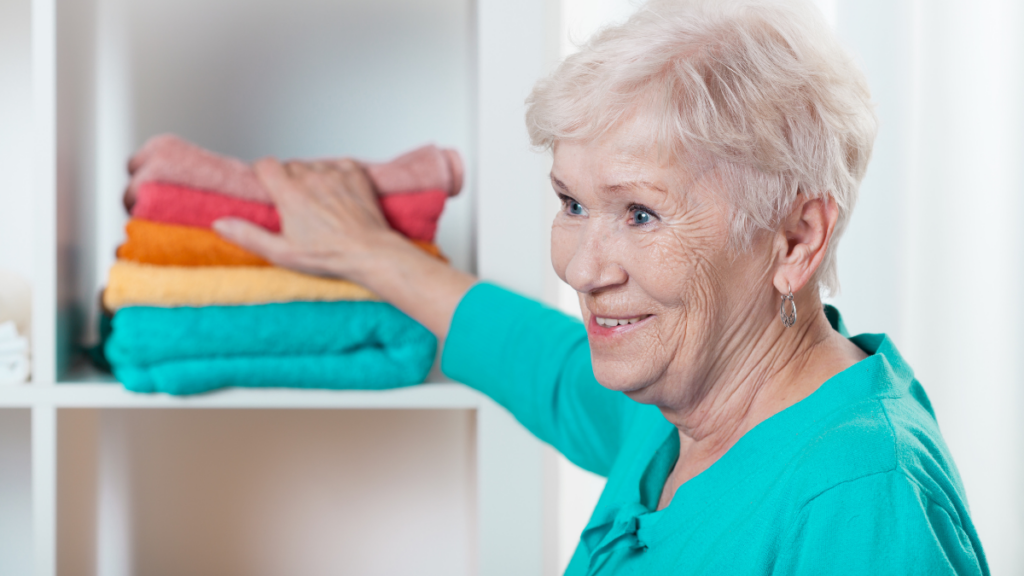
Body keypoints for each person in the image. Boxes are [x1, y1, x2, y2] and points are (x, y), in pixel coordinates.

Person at [209, 0, 989, 573]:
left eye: (641, 214)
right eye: (572, 203)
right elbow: (545, 366)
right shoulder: (681, 403)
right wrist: (366, 250)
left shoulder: (859, 498)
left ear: (795, 240)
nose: (583, 269)